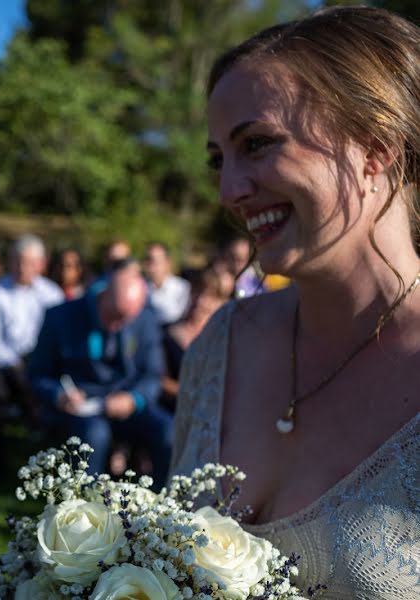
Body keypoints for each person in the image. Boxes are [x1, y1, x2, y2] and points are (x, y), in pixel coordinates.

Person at [173, 7, 419, 597]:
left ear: (374, 147)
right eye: (218, 160)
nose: (229, 191)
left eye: (256, 144)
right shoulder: (220, 347)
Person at [29, 260, 169, 486]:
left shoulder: (145, 321)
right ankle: (83, 510)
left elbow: (152, 375)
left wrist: (134, 398)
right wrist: (59, 395)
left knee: (167, 430)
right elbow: (38, 373)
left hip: (126, 402)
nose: (119, 324)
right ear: (103, 296)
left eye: (126, 319)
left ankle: (164, 508)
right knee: (94, 434)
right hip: (80, 405)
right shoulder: (60, 316)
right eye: (114, 316)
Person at [0, 234, 64, 483]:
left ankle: (51, 465)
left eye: (27, 262)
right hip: (7, 365)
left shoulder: (51, 294)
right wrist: (14, 362)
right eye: (16, 261)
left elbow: (59, 340)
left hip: (44, 365)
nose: (21, 268)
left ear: (40, 264)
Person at [159, 268, 232, 412]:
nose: (200, 301)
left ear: (222, 302)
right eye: (198, 291)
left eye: (211, 296)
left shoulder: (226, 338)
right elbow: (160, 380)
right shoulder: (166, 334)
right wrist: (194, 396)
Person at [142, 241, 191, 324]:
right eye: (147, 260)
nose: (150, 266)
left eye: (154, 261)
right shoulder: (140, 288)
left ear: (167, 263)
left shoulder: (182, 288)